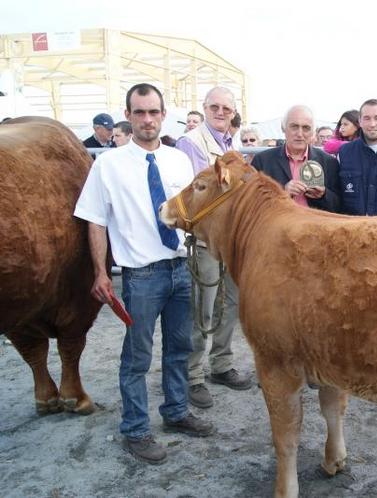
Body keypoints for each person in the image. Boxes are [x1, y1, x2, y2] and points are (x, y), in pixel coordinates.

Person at [74, 83, 213, 465]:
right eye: (139, 112)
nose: (147, 119)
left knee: (179, 348)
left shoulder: (178, 161)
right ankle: (135, 430)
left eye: (153, 112)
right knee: (136, 357)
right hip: (140, 276)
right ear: (129, 115)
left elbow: (191, 213)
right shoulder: (108, 164)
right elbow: (96, 220)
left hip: (180, 269)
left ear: (163, 114)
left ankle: (177, 410)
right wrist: (101, 272)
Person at [176, 86, 251, 409]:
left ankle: (221, 364)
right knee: (202, 306)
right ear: (204, 108)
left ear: (234, 113)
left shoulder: (231, 145)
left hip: (231, 240)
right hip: (207, 239)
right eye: (215, 107)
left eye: (227, 109)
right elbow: (197, 193)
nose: (221, 112)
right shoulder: (189, 143)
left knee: (230, 303)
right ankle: (193, 374)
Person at [251, 105, 341, 212]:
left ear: (313, 132)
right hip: (279, 226)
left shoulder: (329, 162)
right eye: (294, 127)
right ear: (283, 128)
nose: (299, 134)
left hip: (315, 226)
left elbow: (339, 206)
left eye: (306, 128)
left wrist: (323, 194)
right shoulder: (262, 161)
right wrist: (282, 193)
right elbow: (251, 203)